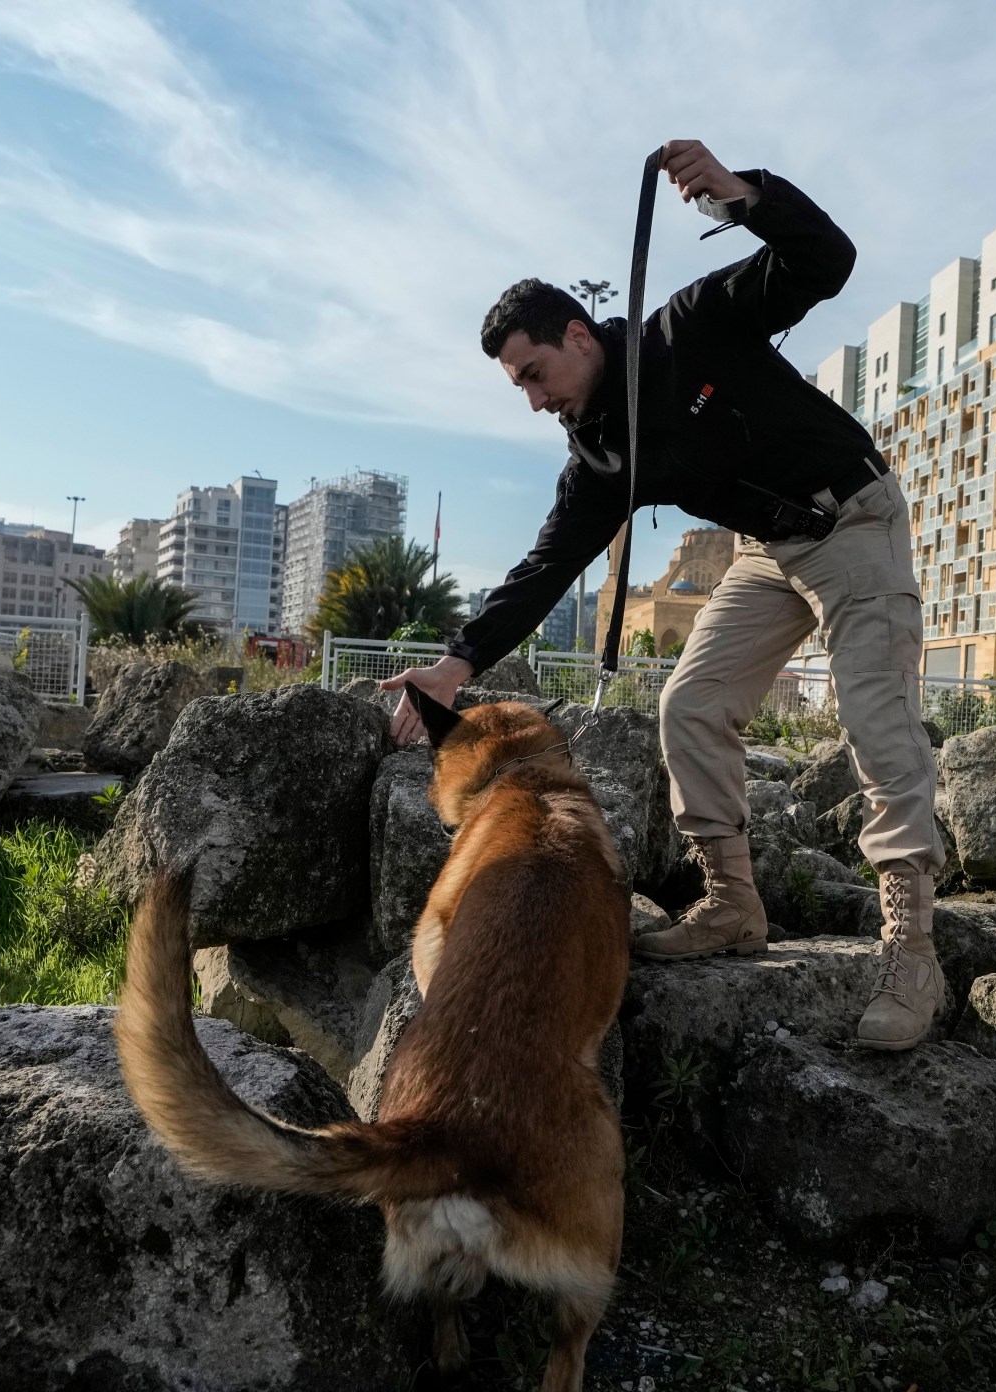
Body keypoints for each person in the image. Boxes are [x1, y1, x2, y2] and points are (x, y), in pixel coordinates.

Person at [380, 139, 944, 1053]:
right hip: (771, 551)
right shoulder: (602, 453)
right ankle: (730, 903)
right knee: (690, 702)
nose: (530, 400)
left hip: (855, 521)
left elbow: (825, 262)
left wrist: (741, 196)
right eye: (516, 385)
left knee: (877, 724)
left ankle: (911, 954)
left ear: (576, 336)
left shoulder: (691, 326)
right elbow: (547, 562)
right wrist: (455, 664)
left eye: (532, 374)